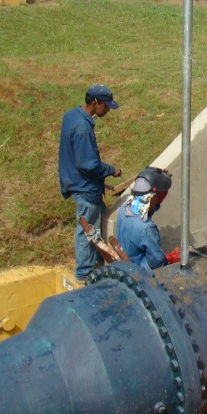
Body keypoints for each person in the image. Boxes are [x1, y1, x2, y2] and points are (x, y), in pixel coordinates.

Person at [58, 84, 123, 282]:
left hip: (76, 181)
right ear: (95, 103)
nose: (107, 111)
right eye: (106, 107)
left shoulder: (72, 116)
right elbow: (88, 164)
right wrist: (111, 170)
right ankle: (84, 274)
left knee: (97, 219)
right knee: (88, 231)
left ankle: (95, 260)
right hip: (84, 188)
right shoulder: (83, 129)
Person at [116, 166, 181, 270]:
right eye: (157, 197)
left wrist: (162, 186)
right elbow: (158, 263)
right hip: (140, 273)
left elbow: (151, 208)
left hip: (126, 264)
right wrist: (172, 258)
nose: (158, 200)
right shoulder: (147, 229)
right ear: (150, 198)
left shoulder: (124, 209)